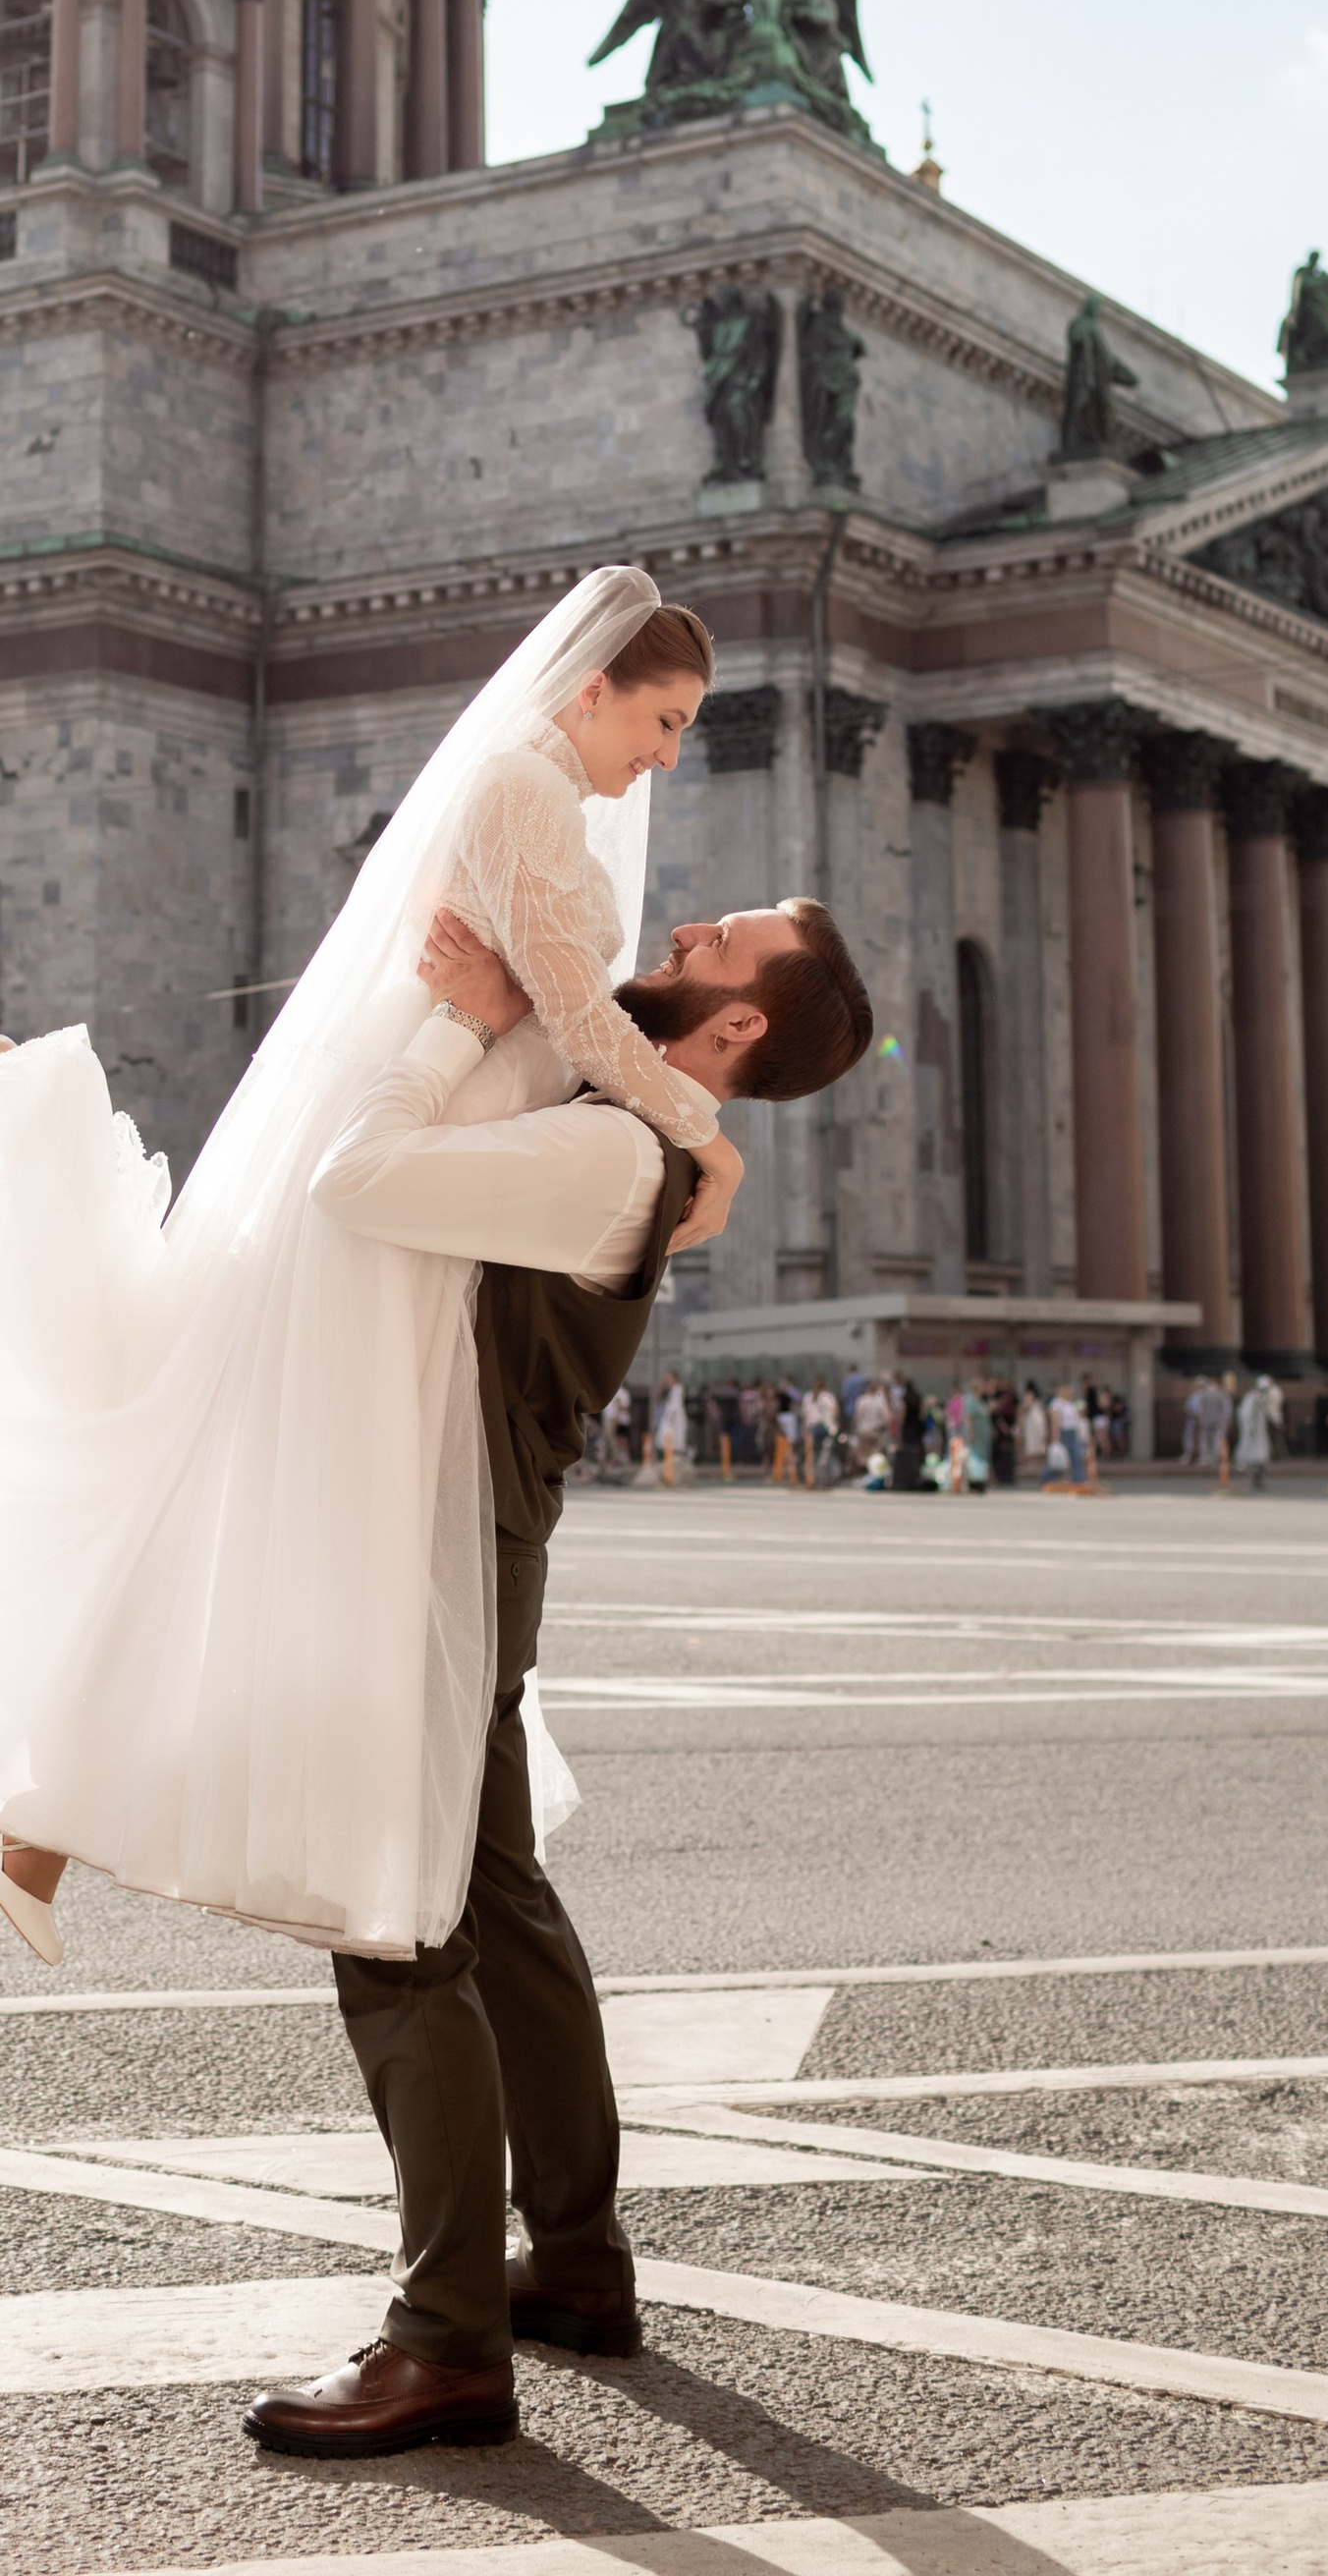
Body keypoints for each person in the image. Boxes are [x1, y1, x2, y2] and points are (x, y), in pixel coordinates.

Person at [0, 567, 819, 1971]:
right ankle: (96, 1814)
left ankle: (44, 1811)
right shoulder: (527, 794)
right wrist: (713, 1146)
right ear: (593, 688)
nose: (669, 756)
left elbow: (561, 1026)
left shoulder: (541, 799)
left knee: (236, 1497)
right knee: (294, 1527)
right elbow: (574, 1018)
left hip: (426, 1169)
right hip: (399, 1184)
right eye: (666, 718)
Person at [244, 890, 874, 2455]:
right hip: (472, 1542)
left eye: (715, 949)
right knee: (502, 1900)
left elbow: (358, 1181)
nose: (681, 935)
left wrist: (461, 1018)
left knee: (398, 1925)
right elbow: (698, 1159)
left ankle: (446, 2338)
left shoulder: (609, 1149)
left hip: (437, 1557)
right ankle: (579, 2268)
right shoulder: (648, 1138)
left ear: (735, 1029)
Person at [1234, 1372, 1277, 1493]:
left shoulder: (1261, 1398)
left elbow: (1266, 1414)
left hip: (1259, 1431)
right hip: (1252, 1431)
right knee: (1248, 1449)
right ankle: (1244, 1465)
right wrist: (1250, 1428)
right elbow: (1246, 1414)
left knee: (1260, 1453)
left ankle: (1258, 1475)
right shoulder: (1251, 1398)